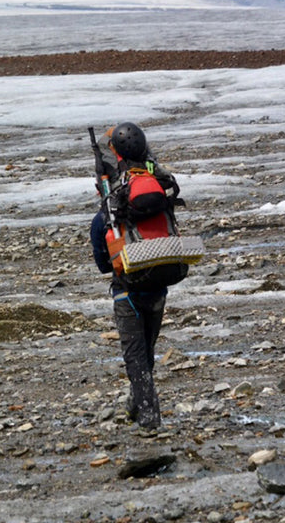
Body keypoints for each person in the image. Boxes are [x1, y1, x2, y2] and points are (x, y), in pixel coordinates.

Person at [89, 122, 177, 433]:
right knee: (146, 353)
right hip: (161, 282)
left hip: (127, 291)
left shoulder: (110, 207)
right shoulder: (158, 187)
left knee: (136, 359)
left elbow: (103, 263)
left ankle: (150, 421)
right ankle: (134, 406)